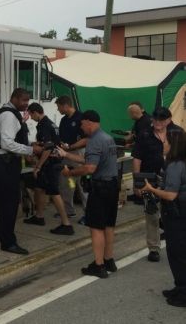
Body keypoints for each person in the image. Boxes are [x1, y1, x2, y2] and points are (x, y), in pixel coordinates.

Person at [140, 129, 186, 308]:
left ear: (174, 146)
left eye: (166, 142)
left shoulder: (175, 166)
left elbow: (171, 195)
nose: (163, 145)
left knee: (180, 255)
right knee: (183, 254)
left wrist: (151, 189)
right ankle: (182, 288)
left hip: (178, 214)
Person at [58, 110, 119, 278]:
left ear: (89, 122)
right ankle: (108, 260)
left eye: (82, 124)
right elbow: (92, 160)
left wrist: (70, 173)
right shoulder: (107, 138)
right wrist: (67, 154)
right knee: (108, 225)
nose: (81, 127)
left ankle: (98, 265)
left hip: (101, 187)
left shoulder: (94, 141)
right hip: (113, 185)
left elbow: (90, 168)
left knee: (96, 227)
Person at [0, 88, 43, 255]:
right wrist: (30, 150)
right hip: (6, 163)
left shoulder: (12, 113)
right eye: (23, 100)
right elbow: (7, 143)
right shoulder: (8, 115)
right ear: (13, 98)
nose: (26, 104)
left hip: (4, 162)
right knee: (10, 202)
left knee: (3, 200)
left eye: (28, 100)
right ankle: (8, 242)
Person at [132, 107, 182, 263]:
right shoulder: (145, 134)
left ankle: (176, 243)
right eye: (154, 120)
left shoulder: (178, 133)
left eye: (160, 120)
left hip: (173, 179)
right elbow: (137, 158)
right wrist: (137, 181)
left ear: (168, 120)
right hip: (149, 180)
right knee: (151, 214)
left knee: (174, 213)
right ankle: (153, 248)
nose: (157, 123)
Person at [24, 103, 74, 235]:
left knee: (54, 192)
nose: (31, 118)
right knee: (39, 188)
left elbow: (48, 148)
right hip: (52, 161)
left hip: (51, 163)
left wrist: (38, 166)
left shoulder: (44, 125)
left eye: (31, 115)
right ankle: (39, 216)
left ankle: (66, 224)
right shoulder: (49, 123)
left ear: (35, 112)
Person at [55, 96, 88, 221]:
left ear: (65, 105)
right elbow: (62, 138)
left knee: (81, 183)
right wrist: (62, 146)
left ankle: (88, 214)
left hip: (78, 154)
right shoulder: (63, 120)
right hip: (66, 155)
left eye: (58, 107)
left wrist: (71, 146)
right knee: (67, 182)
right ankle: (68, 210)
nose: (58, 110)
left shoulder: (81, 117)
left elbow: (86, 139)